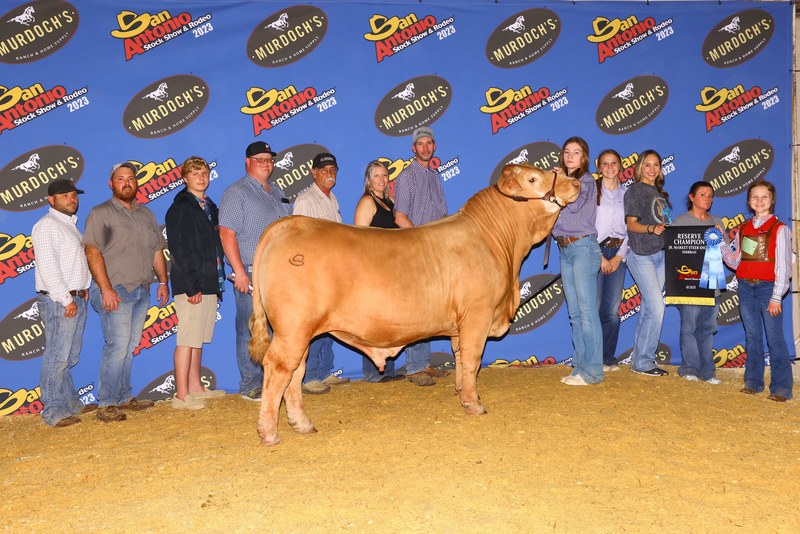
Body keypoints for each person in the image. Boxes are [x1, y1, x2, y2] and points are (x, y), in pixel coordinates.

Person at [84, 162, 168, 422]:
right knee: (117, 346)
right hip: (115, 289)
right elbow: (92, 251)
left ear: (137, 183)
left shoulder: (146, 214)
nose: (127, 182)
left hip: (141, 289)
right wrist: (106, 288)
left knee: (129, 346)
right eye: (121, 179)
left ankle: (122, 396)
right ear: (111, 184)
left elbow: (156, 250)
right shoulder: (101, 213)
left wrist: (163, 282)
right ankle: (106, 403)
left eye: (131, 178)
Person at [220, 141, 292, 402]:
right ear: (247, 162)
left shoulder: (277, 192)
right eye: (260, 158)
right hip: (251, 270)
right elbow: (227, 233)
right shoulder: (236, 192)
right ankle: (250, 383)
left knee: (278, 327)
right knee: (250, 326)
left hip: (280, 270)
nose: (266, 163)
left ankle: (272, 380)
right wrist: (238, 271)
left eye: (269, 159)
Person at [32, 179, 95, 427]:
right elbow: (48, 268)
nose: (72, 199)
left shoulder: (69, 226)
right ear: (51, 199)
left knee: (69, 355)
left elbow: (75, 263)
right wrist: (67, 298)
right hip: (61, 300)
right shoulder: (46, 226)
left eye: (73, 195)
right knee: (58, 356)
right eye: (65, 195)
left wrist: (84, 287)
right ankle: (52, 410)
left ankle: (69, 403)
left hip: (75, 297)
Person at [722, 180, 793, 401]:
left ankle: (781, 388)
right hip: (745, 286)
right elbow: (735, 261)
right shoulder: (743, 228)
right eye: (755, 197)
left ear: (772, 200)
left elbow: (784, 266)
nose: (759, 201)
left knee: (775, 337)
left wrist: (776, 297)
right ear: (749, 201)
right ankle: (753, 382)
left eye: (764, 197)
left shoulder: (780, 229)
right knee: (752, 336)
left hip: (768, 289)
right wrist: (721, 243)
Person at [165, 157, 227, 409]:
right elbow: (178, 251)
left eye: (204, 172)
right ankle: (181, 395)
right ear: (185, 178)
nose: (201, 177)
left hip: (210, 280)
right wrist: (191, 286)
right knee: (187, 338)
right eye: (195, 173)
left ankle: (195, 387)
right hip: (191, 283)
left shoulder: (209, 206)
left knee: (198, 337)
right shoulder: (180, 207)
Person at [393, 126, 450, 386]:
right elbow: (400, 216)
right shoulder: (407, 177)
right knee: (416, 307)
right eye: (420, 144)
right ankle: (414, 366)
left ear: (434, 146)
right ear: (413, 149)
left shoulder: (435, 176)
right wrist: (422, 240)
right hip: (417, 249)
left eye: (429, 143)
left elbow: (442, 216)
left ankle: (424, 362)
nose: (425, 148)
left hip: (437, 249)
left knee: (429, 307)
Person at [293, 152, 348, 395]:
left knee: (329, 321)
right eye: (324, 171)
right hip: (315, 271)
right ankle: (310, 376)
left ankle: (326, 370)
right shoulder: (306, 200)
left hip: (333, 270)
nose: (329, 174)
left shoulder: (332, 198)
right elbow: (299, 237)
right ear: (313, 173)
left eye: (333, 170)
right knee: (315, 323)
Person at [553, 137, 603, 386]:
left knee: (586, 311)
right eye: (567, 152)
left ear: (584, 157)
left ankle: (592, 371)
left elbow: (573, 205)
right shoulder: (560, 181)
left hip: (583, 246)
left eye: (576, 152)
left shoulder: (586, 181)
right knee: (575, 313)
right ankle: (580, 366)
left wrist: (559, 181)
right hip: (564, 248)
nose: (570, 156)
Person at [354, 160, 403, 383]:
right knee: (373, 320)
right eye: (377, 176)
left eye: (385, 176)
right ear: (369, 180)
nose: (382, 180)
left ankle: (389, 369)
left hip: (391, 268)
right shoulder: (367, 202)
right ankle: (373, 372)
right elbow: (358, 238)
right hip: (372, 268)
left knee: (390, 319)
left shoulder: (391, 202)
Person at [623, 150, 671, 376]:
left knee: (649, 308)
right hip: (641, 254)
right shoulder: (634, 191)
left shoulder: (661, 194)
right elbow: (631, 225)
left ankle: (640, 361)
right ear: (640, 167)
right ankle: (644, 361)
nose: (652, 169)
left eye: (656, 165)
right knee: (656, 306)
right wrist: (650, 228)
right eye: (647, 165)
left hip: (661, 254)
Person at [672, 181, 725, 384]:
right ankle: (690, 368)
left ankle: (708, 371)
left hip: (711, 283)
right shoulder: (680, 222)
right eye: (703, 194)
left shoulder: (717, 223)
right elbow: (673, 255)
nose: (708, 199)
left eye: (710, 195)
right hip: (688, 283)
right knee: (689, 327)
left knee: (707, 327)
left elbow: (725, 253)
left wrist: (723, 241)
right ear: (692, 197)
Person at [594, 149, 628, 372]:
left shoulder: (628, 194)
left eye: (613, 163)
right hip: (594, 252)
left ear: (620, 166)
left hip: (618, 253)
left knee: (612, 310)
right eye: (605, 164)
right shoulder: (591, 192)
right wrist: (598, 257)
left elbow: (631, 228)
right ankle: (593, 357)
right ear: (599, 167)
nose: (609, 167)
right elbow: (585, 227)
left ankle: (608, 356)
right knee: (594, 307)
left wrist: (619, 256)